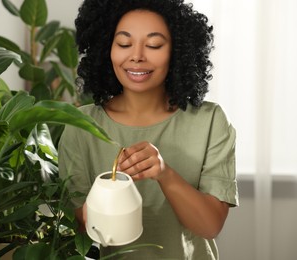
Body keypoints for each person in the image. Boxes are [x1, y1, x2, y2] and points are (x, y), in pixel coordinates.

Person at [58, 0, 239, 259]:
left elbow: (210, 226)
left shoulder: (210, 121)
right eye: (123, 44)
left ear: (177, 51)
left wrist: (164, 174)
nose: (137, 55)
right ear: (105, 49)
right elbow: (77, 230)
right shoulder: (81, 126)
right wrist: (111, 188)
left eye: (154, 44)